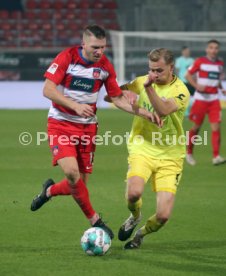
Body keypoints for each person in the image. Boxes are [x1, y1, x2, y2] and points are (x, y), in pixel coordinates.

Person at [30, 25, 159, 240]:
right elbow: (48, 89)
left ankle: (49, 191)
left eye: (103, 47)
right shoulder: (67, 58)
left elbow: (117, 98)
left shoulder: (105, 66)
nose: (99, 51)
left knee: (78, 185)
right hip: (60, 123)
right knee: (72, 174)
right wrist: (74, 106)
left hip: (87, 128)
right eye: (95, 47)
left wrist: (144, 113)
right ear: (84, 44)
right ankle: (95, 220)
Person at [117, 48, 190, 249]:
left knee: (163, 216)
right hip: (142, 148)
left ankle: (140, 235)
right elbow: (112, 96)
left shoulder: (181, 91)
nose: (154, 75)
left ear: (171, 68)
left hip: (170, 157)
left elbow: (164, 110)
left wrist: (148, 88)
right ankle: (134, 217)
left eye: (159, 71)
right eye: (151, 70)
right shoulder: (141, 81)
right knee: (133, 194)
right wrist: (126, 94)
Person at [185, 39, 226, 166]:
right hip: (201, 99)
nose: (213, 50)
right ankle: (189, 152)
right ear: (207, 49)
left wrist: (221, 88)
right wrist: (196, 85)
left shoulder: (220, 63)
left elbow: (216, 79)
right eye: (211, 47)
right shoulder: (200, 61)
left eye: (216, 48)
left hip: (214, 100)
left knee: (216, 128)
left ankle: (216, 156)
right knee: (196, 128)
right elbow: (187, 75)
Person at [175, 46, 194, 116]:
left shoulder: (192, 60)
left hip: (190, 81)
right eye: (186, 51)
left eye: (188, 51)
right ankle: (184, 112)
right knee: (182, 97)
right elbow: (177, 70)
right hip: (182, 81)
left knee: (191, 97)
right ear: (182, 52)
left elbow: (193, 72)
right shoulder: (179, 60)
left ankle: (188, 111)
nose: (187, 52)